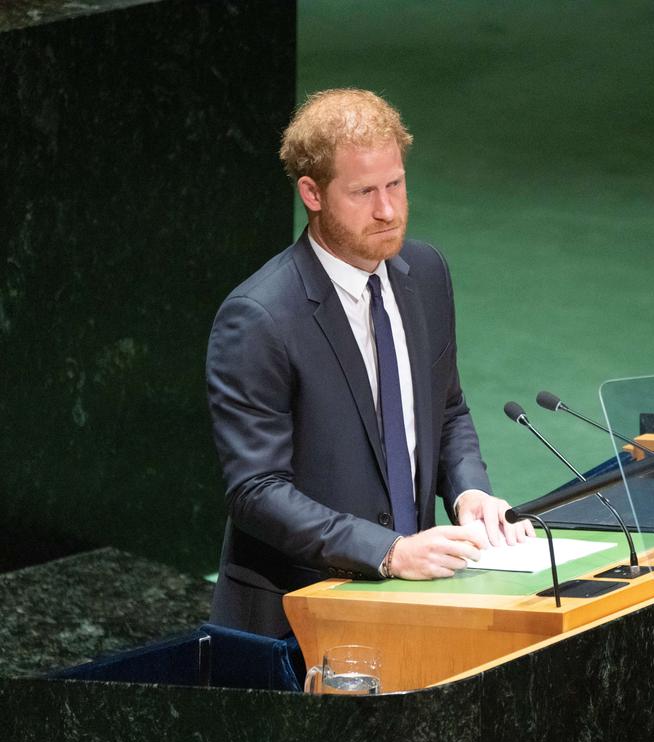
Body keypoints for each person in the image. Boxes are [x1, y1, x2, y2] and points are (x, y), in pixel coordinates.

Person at [206, 88, 531, 637]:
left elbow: (446, 410)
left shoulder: (425, 273)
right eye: (362, 192)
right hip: (303, 614)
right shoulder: (259, 316)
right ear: (312, 192)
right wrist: (388, 552)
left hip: (418, 600)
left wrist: (468, 490)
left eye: (396, 184)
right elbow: (256, 490)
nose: (387, 210)